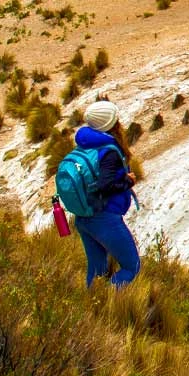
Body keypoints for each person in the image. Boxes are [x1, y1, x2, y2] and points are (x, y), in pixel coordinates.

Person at [70, 100, 140, 287]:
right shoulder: (108, 151)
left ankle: (92, 308)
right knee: (131, 267)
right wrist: (127, 181)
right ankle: (108, 303)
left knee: (97, 272)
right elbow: (105, 186)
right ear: (112, 124)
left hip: (84, 216)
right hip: (104, 218)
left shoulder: (86, 144)